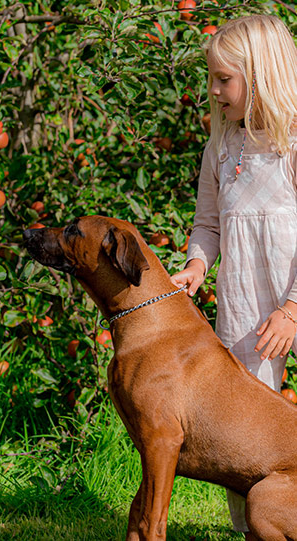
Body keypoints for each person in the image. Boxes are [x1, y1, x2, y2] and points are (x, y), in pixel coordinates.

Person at [170, 14, 297, 540]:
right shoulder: (221, 147)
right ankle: (255, 525)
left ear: (261, 74)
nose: (213, 90)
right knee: (244, 413)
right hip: (247, 303)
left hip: (293, 297)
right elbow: (208, 225)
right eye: (211, 78)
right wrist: (197, 265)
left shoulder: (293, 147)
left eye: (224, 79)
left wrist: (293, 309)